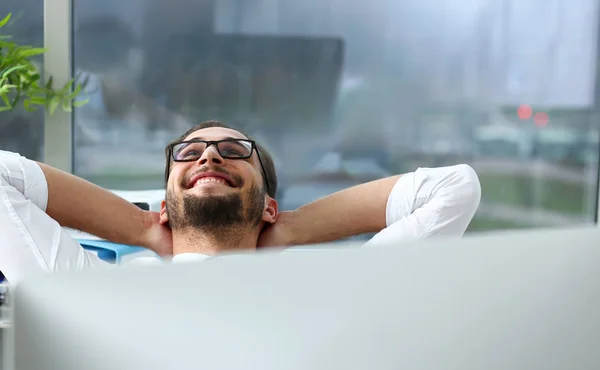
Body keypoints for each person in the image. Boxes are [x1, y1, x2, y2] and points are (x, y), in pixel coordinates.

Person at [0, 120, 481, 283]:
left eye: (233, 153)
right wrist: (141, 228)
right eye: (190, 154)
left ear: (268, 207)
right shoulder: (89, 288)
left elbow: (453, 188)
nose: (210, 154)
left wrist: (289, 229)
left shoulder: (335, 289)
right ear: (164, 206)